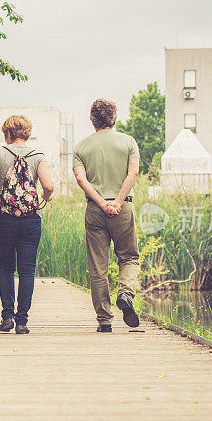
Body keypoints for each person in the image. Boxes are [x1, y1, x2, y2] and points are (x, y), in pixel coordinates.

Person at [72, 99, 140, 333]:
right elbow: (133, 173)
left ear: (92, 120)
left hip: (95, 210)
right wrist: (118, 202)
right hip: (123, 208)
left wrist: (102, 202)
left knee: (98, 267)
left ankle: (104, 320)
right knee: (129, 257)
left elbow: (81, 179)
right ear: (114, 119)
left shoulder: (82, 147)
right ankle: (125, 293)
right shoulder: (129, 142)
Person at [0, 115, 54, 335]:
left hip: (3, 217)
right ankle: (22, 321)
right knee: (27, 270)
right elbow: (49, 186)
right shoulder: (38, 156)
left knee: (5, 267)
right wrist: (46, 197)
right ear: (27, 133)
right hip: (30, 219)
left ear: (8, 133)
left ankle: (7, 316)